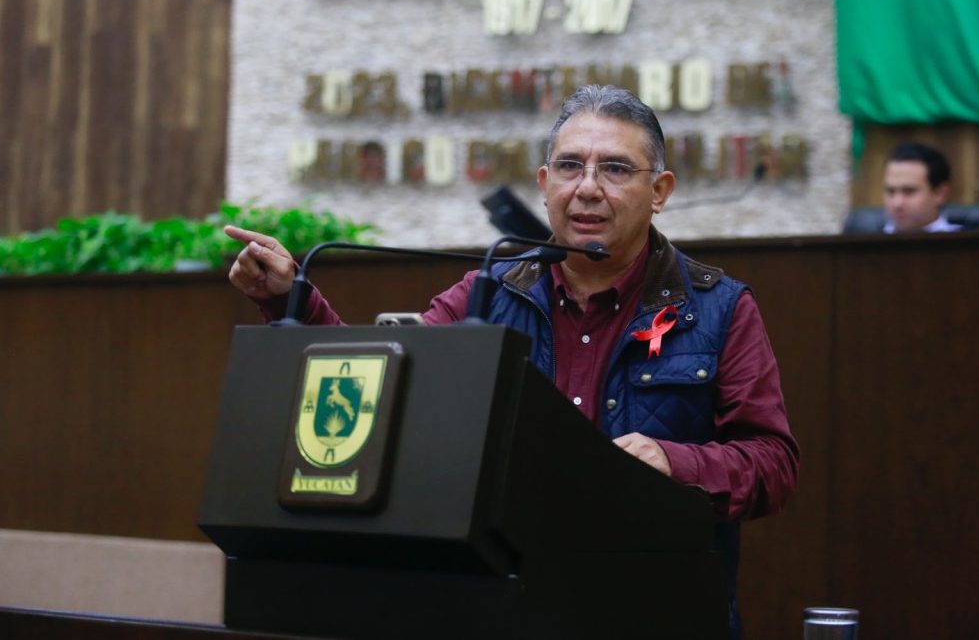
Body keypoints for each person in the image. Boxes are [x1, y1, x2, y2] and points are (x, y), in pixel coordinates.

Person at [225, 85, 799, 639]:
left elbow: (773, 464)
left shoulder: (719, 308)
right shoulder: (487, 293)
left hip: (653, 607)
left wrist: (674, 461)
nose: (588, 188)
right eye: (570, 167)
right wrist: (289, 299)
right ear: (545, 184)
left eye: (616, 169)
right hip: (504, 606)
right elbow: (381, 389)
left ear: (660, 191)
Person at [882, 141, 961, 233]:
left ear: (940, 194)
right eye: (890, 191)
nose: (897, 203)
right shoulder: (870, 238)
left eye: (909, 191)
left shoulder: (968, 240)